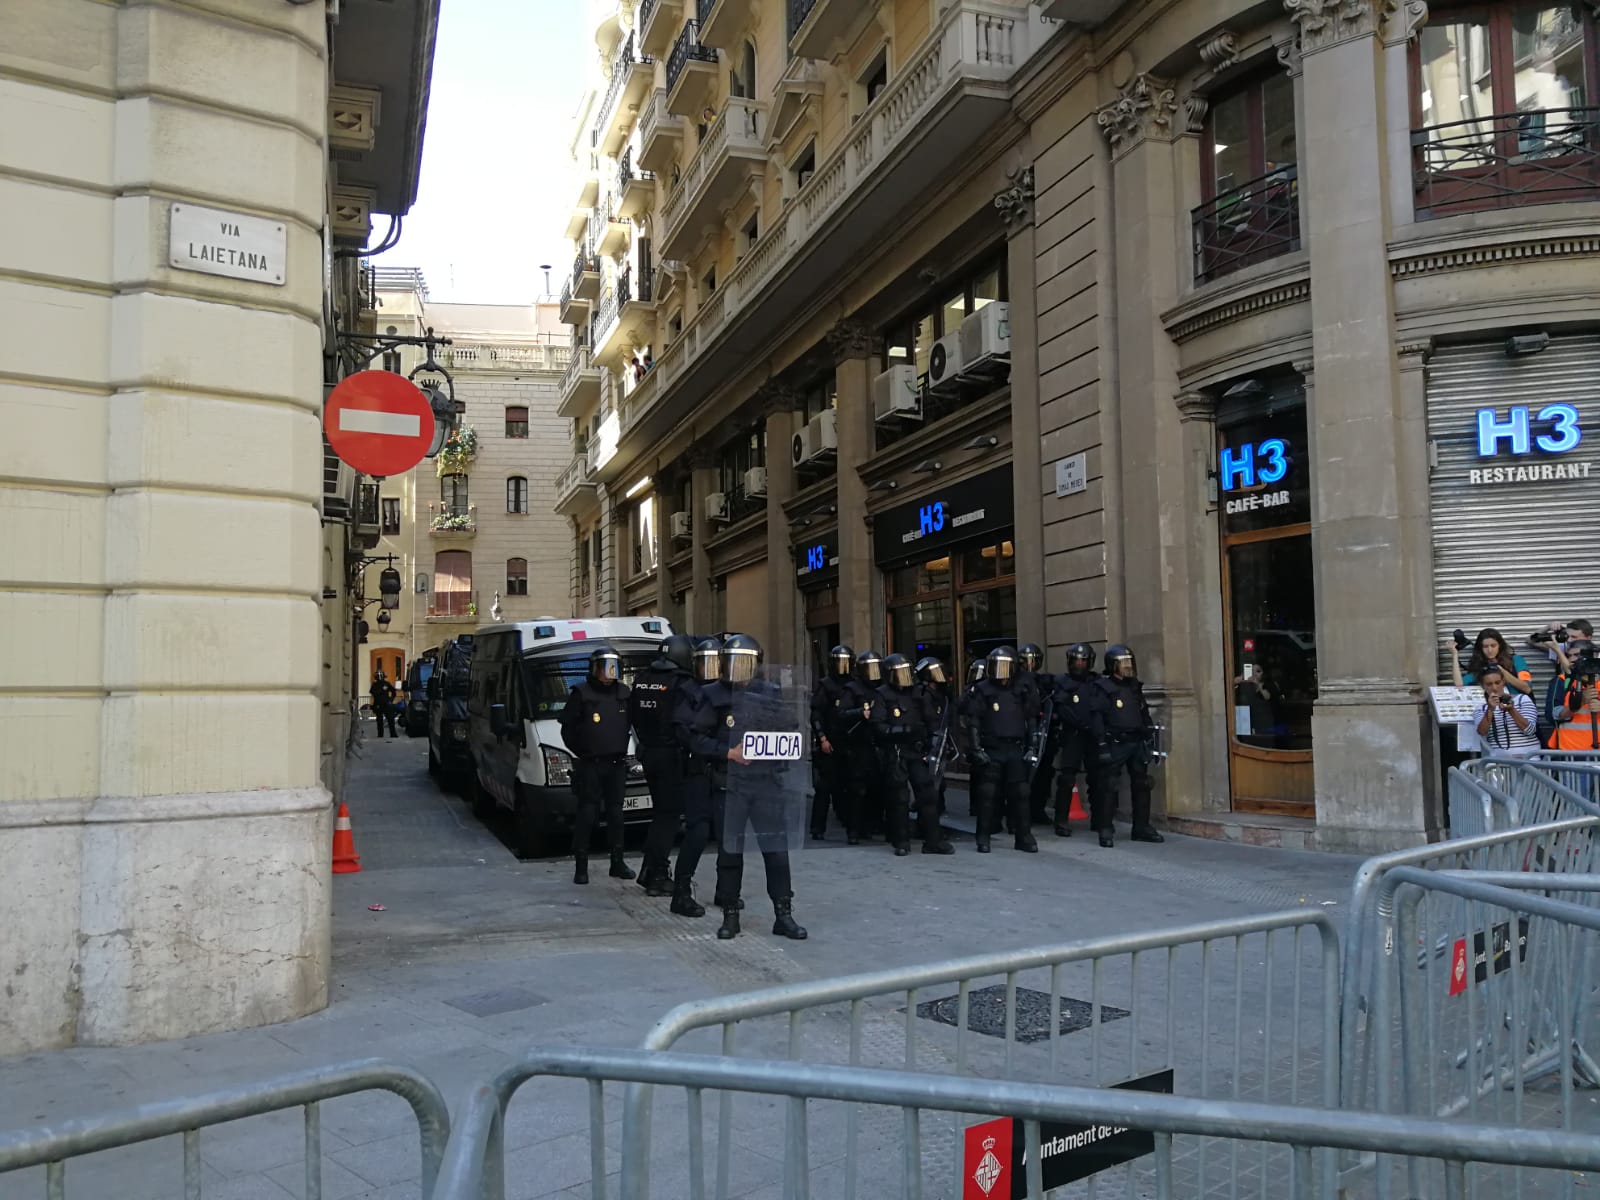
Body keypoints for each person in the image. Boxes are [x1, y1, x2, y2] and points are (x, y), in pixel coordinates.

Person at [677, 633, 807, 941]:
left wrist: (786, 742)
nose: (740, 669)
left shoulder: (770, 692)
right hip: (730, 785)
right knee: (730, 853)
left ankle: (783, 914)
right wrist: (727, 752)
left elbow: (790, 726)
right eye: (735, 662)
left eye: (746, 663)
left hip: (766, 783)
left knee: (776, 852)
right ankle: (731, 916)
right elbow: (697, 738)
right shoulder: (712, 695)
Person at [558, 647, 636, 885]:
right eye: (604, 667)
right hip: (591, 764)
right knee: (587, 814)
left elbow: (633, 723)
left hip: (616, 764)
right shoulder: (581, 693)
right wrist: (582, 751)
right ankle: (581, 866)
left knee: (616, 814)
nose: (608, 673)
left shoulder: (624, 692)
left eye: (613, 667)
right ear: (595, 668)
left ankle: (617, 862)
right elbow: (567, 729)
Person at [629, 634, 696, 898]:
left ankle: (649, 870)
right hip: (671, 755)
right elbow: (684, 724)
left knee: (660, 815)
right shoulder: (683, 682)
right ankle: (657, 874)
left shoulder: (643, 678)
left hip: (648, 752)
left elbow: (633, 715)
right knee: (668, 817)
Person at [873, 654, 954, 856]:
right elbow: (878, 726)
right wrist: (903, 731)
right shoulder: (882, 695)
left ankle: (932, 841)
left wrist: (933, 743)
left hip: (917, 751)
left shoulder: (918, 693)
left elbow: (931, 720)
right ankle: (901, 841)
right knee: (899, 798)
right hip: (896, 750)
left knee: (928, 795)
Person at [962, 646, 1038, 854]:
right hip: (992, 748)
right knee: (987, 794)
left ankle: (1023, 836)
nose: (1000, 671)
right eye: (997, 666)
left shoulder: (1021, 688)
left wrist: (1032, 746)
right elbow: (974, 721)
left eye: (1005, 666)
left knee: (1021, 793)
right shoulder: (983, 689)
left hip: (1015, 748)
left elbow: (1031, 719)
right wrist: (976, 748)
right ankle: (983, 837)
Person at [1088, 644, 1164, 848]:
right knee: (1109, 786)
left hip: (1136, 742)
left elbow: (1143, 712)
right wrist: (1102, 745)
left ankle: (1141, 827)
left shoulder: (1134, 686)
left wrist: (1149, 733)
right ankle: (1105, 828)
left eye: (1129, 663)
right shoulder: (1103, 688)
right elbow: (1097, 718)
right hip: (1115, 742)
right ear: (1112, 666)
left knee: (1142, 784)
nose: (1128, 667)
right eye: (1123, 664)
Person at [668, 638, 723, 917]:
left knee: (727, 833)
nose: (710, 669)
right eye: (705, 662)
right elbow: (684, 733)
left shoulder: (728, 691)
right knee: (698, 832)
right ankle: (681, 893)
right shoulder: (687, 691)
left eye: (716, 662)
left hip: (726, 771)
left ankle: (726, 890)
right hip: (698, 770)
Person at [1050, 643, 1100, 838]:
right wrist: (1079, 723)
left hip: (1093, 735)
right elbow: (1062, 707)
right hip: (1073, 735)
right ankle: (1061, 820)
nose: (1079, 664)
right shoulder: (1063, 682)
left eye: (1083, 660)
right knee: (1067, 778)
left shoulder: (1096, 682)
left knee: (1097, 778)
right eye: (1076, 660)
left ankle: (1099, 819)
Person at [808, 644, 855, 840]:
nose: (843, 667)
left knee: (849, 786)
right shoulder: (825, 685)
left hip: (849, 741)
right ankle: (817, 828)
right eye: (839, 663)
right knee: (824, 787)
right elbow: (816, 713)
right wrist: (822, 738)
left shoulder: (853, 684)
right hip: (830, 740)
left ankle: (849, 823)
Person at [840, 651, 886, 843]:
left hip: (879, 743)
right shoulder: (852, 689)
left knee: (877, 788)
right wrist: (860, 712)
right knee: (857, 790)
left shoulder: (883, 688)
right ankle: (854, 831)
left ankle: (870, 826)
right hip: (859, 745)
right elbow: (842, 713)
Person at [1017, 643, 1056, 824]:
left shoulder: (1045, 682)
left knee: (1044, 773)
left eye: (1034, 660)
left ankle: (1038, 809)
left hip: (1043, 734)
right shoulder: (1015, 682)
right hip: (1022, 733)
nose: (1030, 665)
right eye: (1027, 661)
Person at [915, 656, 954, 825]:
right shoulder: (921, 694)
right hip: (924, 744)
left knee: (938, 785)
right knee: (928, 787)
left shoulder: (942, 695)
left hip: (939, 742)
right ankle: (925, 825)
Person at [1473, 667, 1541, 758]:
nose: (1494, 688)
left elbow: (1530, 730)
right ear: (1483, 686)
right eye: (1489, 684)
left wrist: (1511, 710)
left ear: (1503, 682)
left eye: (1497, 683)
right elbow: (1482, 732)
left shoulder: (1522, 699)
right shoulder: (1481, 708)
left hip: (1529, 760)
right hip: (1498, 763)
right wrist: (1490, 709)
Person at [1549, 636, 1600, 752]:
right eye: (1569, 656)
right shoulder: (1562, 681)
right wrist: (1580, 701)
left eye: (1577, 655)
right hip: (1570, 751)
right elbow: (1553, 714)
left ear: (1594, 657)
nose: (1572, 659)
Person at [1451, 628, 1533, 696]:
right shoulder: (1482, 666)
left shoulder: (1516, 660)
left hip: (1518, 707)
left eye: (1493, 646)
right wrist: (1455, 654)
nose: (1490, 650)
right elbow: (1459, 684)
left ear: (1499, 645)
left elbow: (1526, 688)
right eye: (1485, 647)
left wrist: (1501, 671)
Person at [369, 670, 397, 738]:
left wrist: (391, 699)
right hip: (378, 704)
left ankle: (392, 734)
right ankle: (380, 734)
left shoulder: (386, 684)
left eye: (380, 676)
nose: (379, 677)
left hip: (386, 704)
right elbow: (372, 694)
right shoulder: (374, 685)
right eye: (378, 676)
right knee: (380, 720)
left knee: (390, 719)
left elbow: (393, 691)